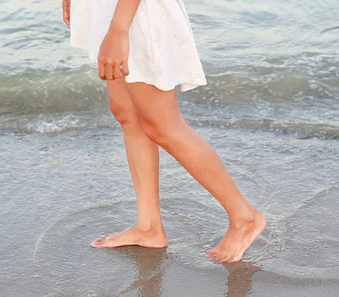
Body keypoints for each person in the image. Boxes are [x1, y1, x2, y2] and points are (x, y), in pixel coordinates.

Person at [62, 0, 265, 263]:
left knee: (163, 126)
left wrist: (119, 30)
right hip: (105, 9)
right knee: (127, 114)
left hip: (134, 14)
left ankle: (244, 217)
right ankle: (148, 227)